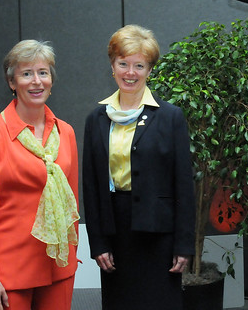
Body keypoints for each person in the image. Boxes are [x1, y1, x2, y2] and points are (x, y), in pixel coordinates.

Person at [82, 24, 195, 310]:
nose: (130, 73)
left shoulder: (170, 117)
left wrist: (184, 245)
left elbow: (183, 185)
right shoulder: (96, 119)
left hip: (159, 236)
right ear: (112, 65)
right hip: (115, 234)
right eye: (123, 64)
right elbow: (91, 187)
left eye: (139, 65)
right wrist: (97, 242)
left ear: (149, 69)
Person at [0, 40, 80, 310]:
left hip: (58, 267)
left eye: (43, 72)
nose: (36, 81)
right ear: (12, 83)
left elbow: (71, 203)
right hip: (8, 274)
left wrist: (71, 255)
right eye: (26, 74)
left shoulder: (66, 133)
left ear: (51, 80)